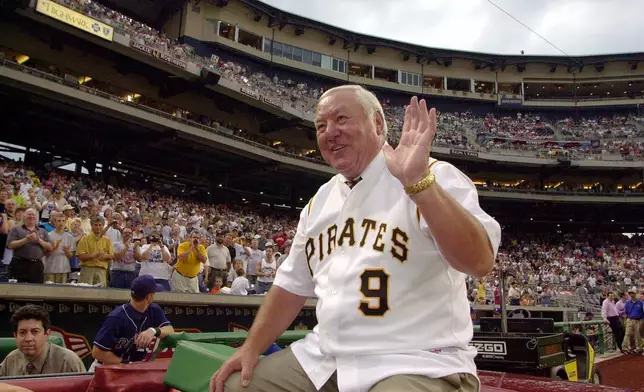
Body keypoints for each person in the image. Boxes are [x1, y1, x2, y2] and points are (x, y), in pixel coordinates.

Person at [210, 86, 500, 392]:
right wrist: (252, 347)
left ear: (377, 123)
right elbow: (290, 287)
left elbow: (479, 261)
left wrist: (419, 184)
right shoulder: (319, 201)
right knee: (234, 387)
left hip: (417, 360)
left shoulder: (432, 174)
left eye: (341, 119)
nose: (330, 132)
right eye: (321, 126)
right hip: (326, 358)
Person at [90, 275, 175, 371]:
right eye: (153, 293)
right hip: (104, 369)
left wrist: (153, 331)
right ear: (149, 297)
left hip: (130, 369)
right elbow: (97, 353)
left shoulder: (154, 310)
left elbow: (170, 330)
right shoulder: (116, 318)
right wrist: (127, 364)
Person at [0, 305, 85, 376]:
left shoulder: (67, 361)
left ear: (47, 334)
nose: (28, 338)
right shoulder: (10, 360)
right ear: (15, 335)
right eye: (22, 332)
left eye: (35, 332)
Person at [6, 208, 53, 283]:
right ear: (24, 216)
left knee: (37, 290)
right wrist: (26, 240)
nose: (31, 216)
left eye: (33, 214)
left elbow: (50, 247)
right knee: (16, 290)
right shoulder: (16, 229)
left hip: (36, 265)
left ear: (36, 217)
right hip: (19, 264)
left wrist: (38, 240)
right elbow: (10, 245)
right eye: (29, 214)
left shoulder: (43, 231)